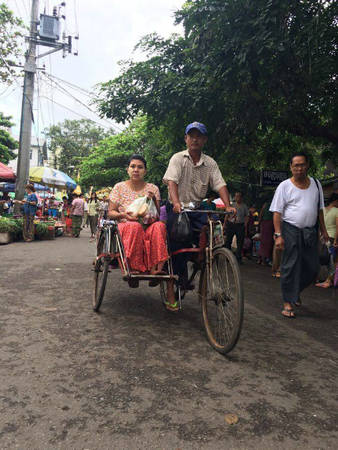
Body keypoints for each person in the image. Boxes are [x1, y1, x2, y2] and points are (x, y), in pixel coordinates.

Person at [163, 121, 235, 289]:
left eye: (199, 137)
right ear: (186, 139)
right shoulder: (178, 158)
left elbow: (220, 184)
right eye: (191, 136)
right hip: (178, 207)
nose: (195, 140)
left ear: (204, 140)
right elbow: (172, 182)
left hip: (197, 207)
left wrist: (228, 205)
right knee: (179, 240)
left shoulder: (210, 163)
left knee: (214, 227)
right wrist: (175, 203)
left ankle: (208, 256)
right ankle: (180, 275)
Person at [108, 155, 175, 308]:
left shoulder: (153, 188)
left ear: (145, 171)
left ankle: (156, 269)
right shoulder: (119, 187)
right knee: (134, 226)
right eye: (133, 166)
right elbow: (111, 212)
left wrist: (152, 200)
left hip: (148, 224)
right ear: (128, 170)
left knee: (159, 227)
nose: (136, 170)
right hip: (126, 224)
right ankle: (134, 268)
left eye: (140, 167)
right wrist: (122, 215)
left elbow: (157, 214)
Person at [270, 152, 329, 318]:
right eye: (296, 165)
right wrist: (278, 234)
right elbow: (277, 212)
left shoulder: (316, 185)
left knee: (313, 268)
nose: (299, 168)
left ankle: (294, 291)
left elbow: (319, 210)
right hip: (290, 229)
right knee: (290, 265)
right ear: (291, 167)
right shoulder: (284, 186)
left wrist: (324, 231)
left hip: (310, 231)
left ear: (307, 165)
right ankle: (288, 302)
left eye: (302, 164)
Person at [315, 193, 338, 288]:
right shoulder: (337, 211)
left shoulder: (323, 210)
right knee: (332, 260)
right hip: (332, 237)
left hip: (322, 237)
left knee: (322, 257)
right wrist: (336, 240)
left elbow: (320, 224)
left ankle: (320, 278)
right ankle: (328, 280)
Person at [225, 192, 249, 264]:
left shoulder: (244, 206)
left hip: (240, 225)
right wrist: (224, 224)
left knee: (240, 242)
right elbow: (227, 215)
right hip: (231, 224)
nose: (237, 198)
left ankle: (238, 258)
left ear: (241, 198)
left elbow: (247, 216)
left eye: (239, 196)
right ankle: (227, 257)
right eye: (236, 196)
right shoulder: (232, 205)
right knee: (228, 241)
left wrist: (245, 225)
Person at [257, 197, 274, 265]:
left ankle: (260, 259)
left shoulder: (265, 205)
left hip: (264, 224)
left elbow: (261, 214)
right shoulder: (273, 205)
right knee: (268, 242)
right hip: (269, 224)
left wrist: (259, 223)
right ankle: (264, 260)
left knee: (263, 242)